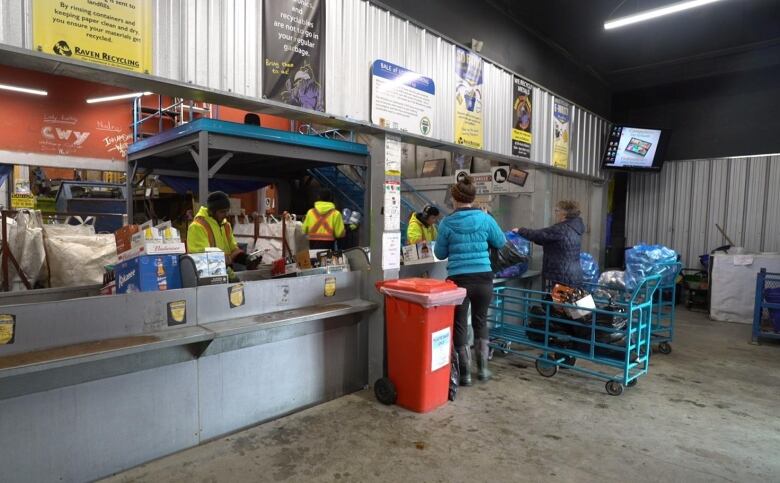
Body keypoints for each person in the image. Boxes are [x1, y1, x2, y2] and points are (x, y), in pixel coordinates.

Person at [434, 176, 506, 385]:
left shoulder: (447, 222)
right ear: (473, 198)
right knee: (480, 321)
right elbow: (500, 241)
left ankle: (464, 374)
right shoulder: (485, 219)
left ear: (454, 199)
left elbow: (439, 253)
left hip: (458, 281)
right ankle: (483, 370)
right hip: (484, 279)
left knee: (459, 324)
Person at [514, 200, 585, 289]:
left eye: (557, 211)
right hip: (572, 273)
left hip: (562, 275)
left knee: (560, 301)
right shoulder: (573, 228)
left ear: (564, 213)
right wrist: (534, 240)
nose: (555, 213)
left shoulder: (561, 229)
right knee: (568, 300)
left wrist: (520, 231)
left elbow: (539, 234)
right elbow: (551, 240)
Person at [187, 191, 253, 280]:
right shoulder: (197, 227)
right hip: (207, 279)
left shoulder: (226, 225)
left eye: (227, 211)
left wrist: (247, 259)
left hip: (224, 274)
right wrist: (227, 265)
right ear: (211, 211)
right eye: (222, 212)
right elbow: (202, 258)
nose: (225, 215)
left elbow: (233, 248)